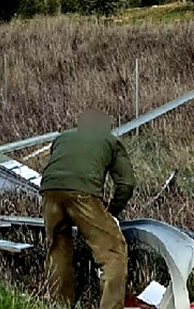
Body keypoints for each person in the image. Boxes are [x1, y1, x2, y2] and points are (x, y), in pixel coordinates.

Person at [40, 109, 136, 309]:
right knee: (114, 252)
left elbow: (59, 166)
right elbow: (126, 183)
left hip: (50, 191)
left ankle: (59, 304)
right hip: (83, 192)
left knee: (58, 248)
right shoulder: (111, 141)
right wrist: (112, 211)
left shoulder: (62, 138)